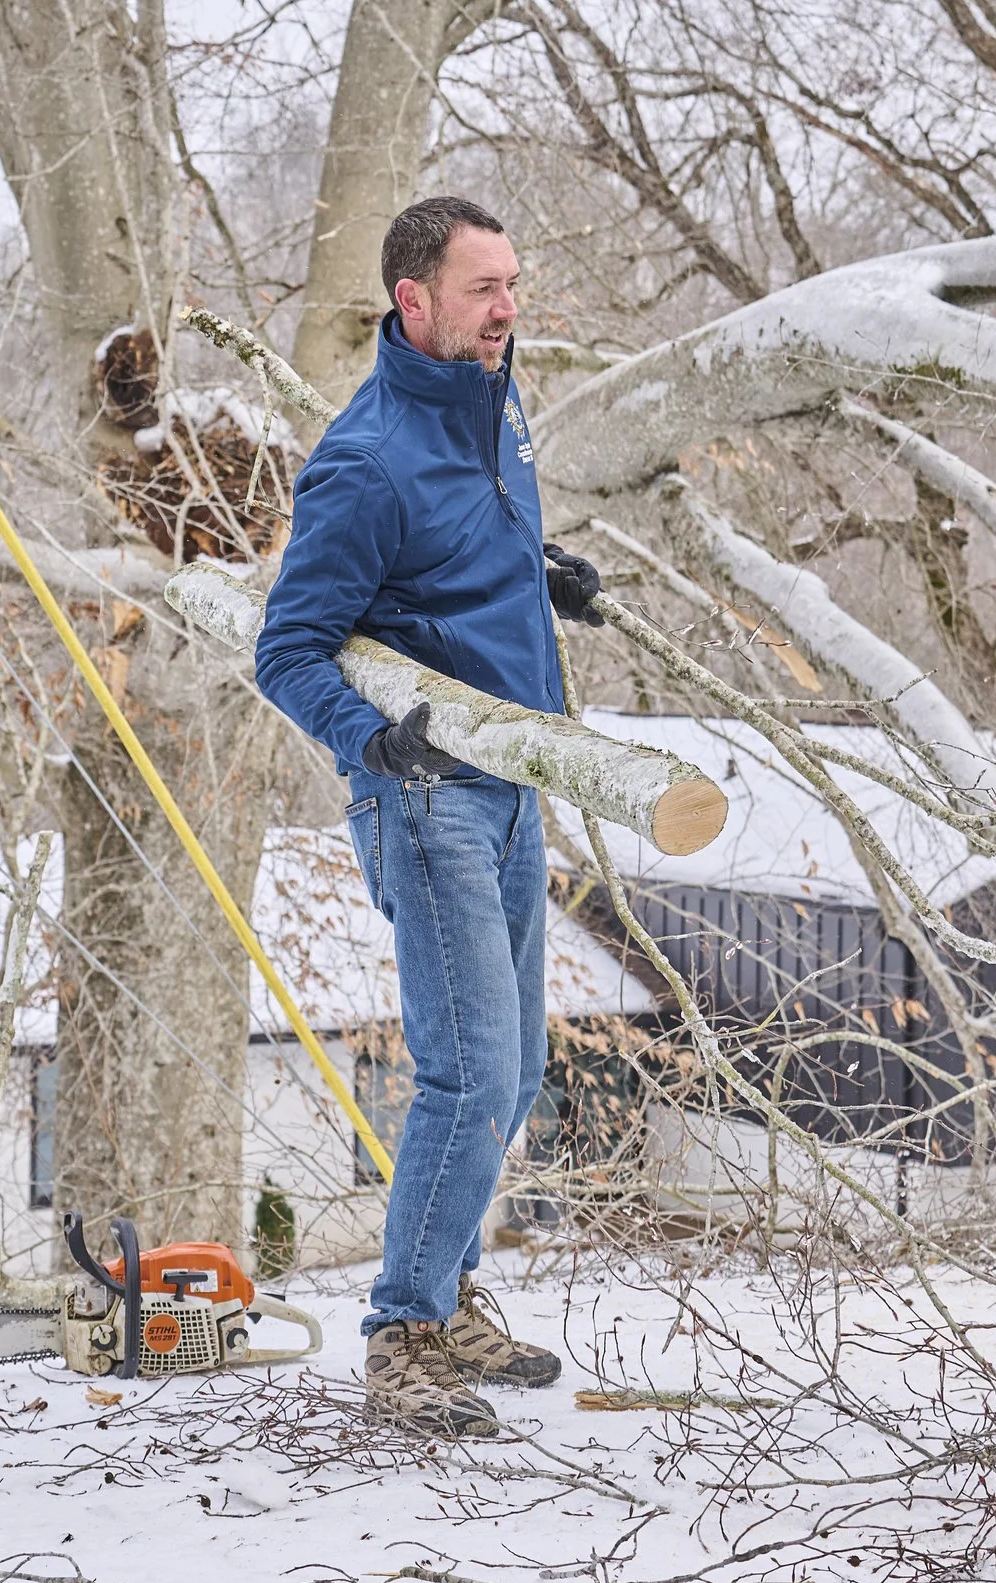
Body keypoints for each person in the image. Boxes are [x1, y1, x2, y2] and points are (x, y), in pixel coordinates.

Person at [255, 197, 605, 1436]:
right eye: (482, 290)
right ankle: (403, 1331)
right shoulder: (362, 458)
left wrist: (537, 573)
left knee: (517, 1071)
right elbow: (286, 651)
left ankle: (450, 1296)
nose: (508, 308)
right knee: (466, 1072)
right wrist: (370, 739)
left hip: (514, 787)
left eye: (513, 282)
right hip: (427, 794)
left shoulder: (495, 400)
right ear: (414, 302)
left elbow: (450, 561)